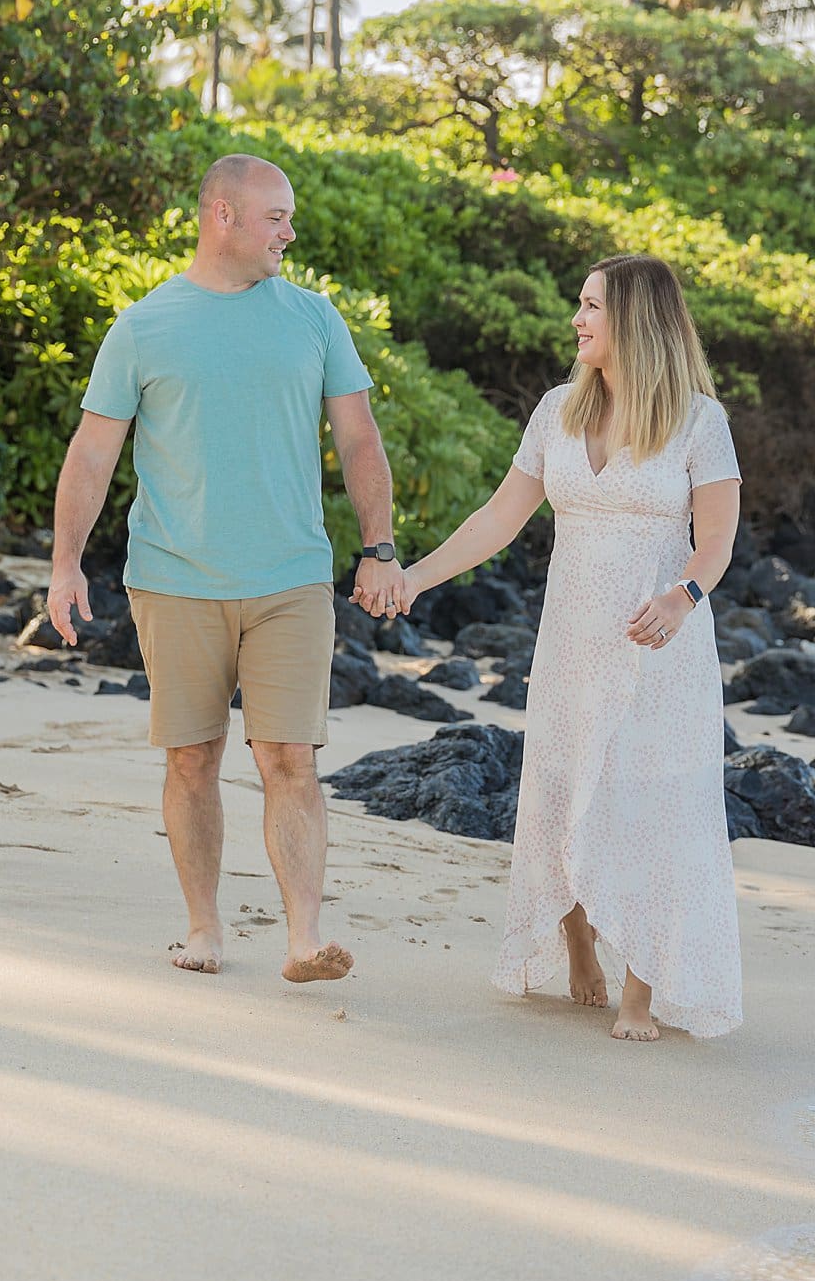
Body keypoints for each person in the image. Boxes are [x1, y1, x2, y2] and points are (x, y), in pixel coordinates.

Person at [47, 153, 406, 984]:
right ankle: (204, 929)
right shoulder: (143, 326)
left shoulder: (315, 319)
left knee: (291, 759)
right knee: (192, 760)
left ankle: (305, 940)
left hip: (290, 578)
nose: (290, 230)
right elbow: (93, 454)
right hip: (174, 578)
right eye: (276, 216)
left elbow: (359, 439)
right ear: (224, 217)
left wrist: (379, 545)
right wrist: (66, 565)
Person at [398, 253, 743, 1042]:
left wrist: (682, 597)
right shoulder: (557, 408)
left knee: (652, 803)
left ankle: (640, 993)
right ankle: (577, 939)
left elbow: (718, 541)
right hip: (570, 640)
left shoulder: (698, 420)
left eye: (592, 306)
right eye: (579, 304)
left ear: (638, 321)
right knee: (563, 785)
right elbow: (499, 518)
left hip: (657, 644)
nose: (578, 319)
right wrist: (417, 578)